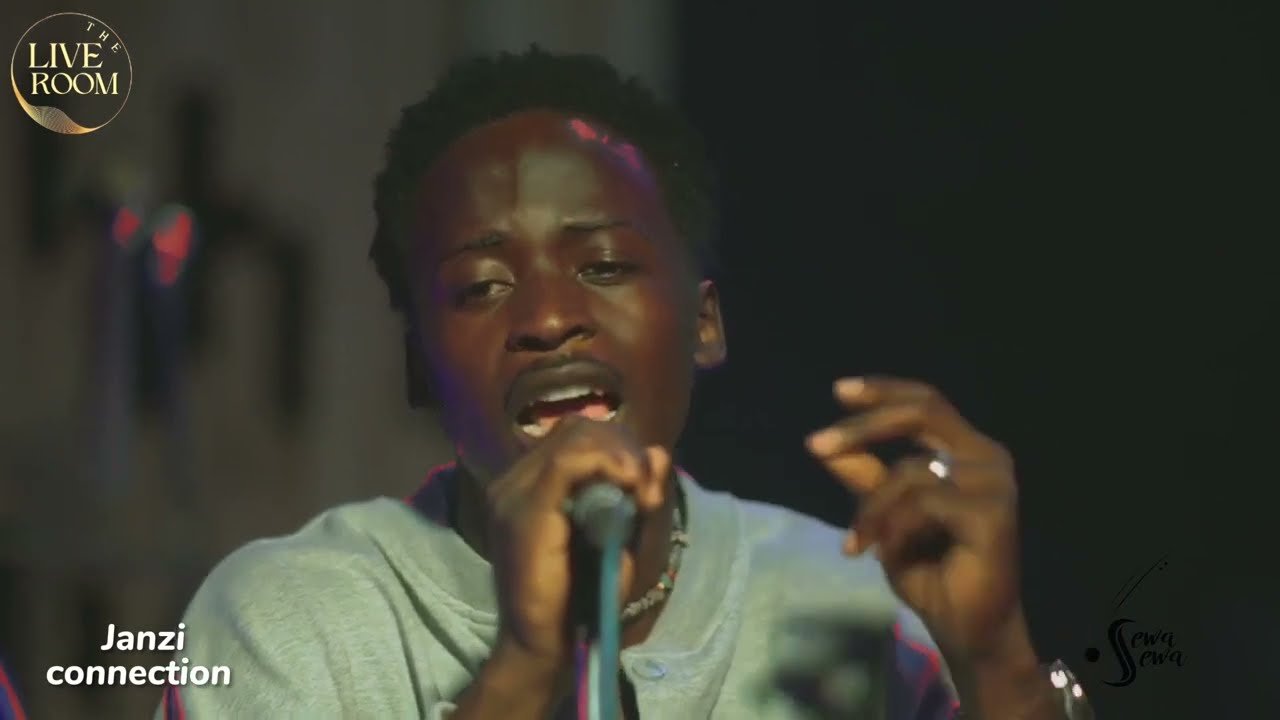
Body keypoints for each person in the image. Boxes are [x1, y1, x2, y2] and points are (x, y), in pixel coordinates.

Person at [158, 47, 1086, 719]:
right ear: (417, 366)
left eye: (603, 265)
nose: (547, 316)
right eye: (482, 286)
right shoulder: (289, 619)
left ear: (704, 324)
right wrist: (526, 668)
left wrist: (997, 660)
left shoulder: (848, 608)